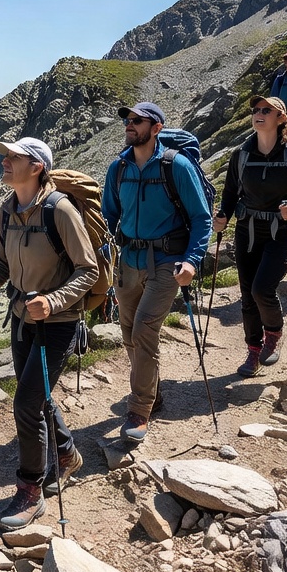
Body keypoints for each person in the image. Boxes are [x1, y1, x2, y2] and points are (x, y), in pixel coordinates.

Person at [0, 136, 98, 528]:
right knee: (36, 397)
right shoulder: (7, 210)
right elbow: (2, 264)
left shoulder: (60, 210)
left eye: (13, 157)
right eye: (5, 156)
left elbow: (89, 271)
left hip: (57, 323)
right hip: (21, 319)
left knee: (26, 403)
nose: (4, 162)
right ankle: (66, 454)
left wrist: (53, 302)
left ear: (36, 167)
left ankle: (30, 491)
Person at [98, 103, 212, 443]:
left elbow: (202, 218)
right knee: (130, 331)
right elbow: (109, 215)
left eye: (137, 121)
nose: (129, 126)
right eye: (127, 121)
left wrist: (192, 260)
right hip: (129, 260)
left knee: (145, 329)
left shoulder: (176, 166)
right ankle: (154, 391)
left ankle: (139, 410)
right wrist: (101, 253)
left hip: (168, 261)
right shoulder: (118, 168)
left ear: (157, 127)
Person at [213, 97, 287, 378]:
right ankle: (253, 350)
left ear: (281, 118)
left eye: (266, 111)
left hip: (283, 230)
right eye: (255, 111)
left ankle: (273, 333)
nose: (258, 114)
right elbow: (230, 192)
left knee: (262, 289)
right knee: (248, 295)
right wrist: (223, 215)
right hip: (247, 230)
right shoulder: (241, 154)